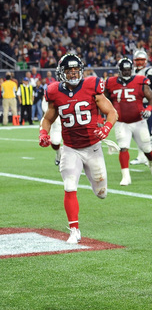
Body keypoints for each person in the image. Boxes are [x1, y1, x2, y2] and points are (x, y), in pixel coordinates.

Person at [39, 53, 119, 243]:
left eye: (76, 70)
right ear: (62, 72)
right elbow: (48, 118)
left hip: (92, 147)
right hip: (70, 148)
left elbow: (112, 112)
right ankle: (74, 230)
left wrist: (106, 128)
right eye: (69, 70)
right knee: (69, 186)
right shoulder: (54, 92)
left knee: (102, 193)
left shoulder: (92, 86)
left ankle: (92, 179)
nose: (73, 74)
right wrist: (43, 133)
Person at [105, 57, 152, 186]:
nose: (127, 73)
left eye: (129, 70)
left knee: (147, 148)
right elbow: (104, 100)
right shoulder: (110, 82)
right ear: (119, 70)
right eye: (124, 70)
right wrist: (104, 115)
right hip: (121, 122)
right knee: (123, 147)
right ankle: (126, 176)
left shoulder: (140, 81)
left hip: (138, 121)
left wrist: (149, 108)